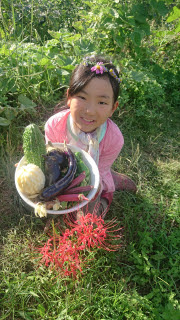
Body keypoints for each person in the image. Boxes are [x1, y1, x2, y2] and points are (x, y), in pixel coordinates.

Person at [44, 55, 136, 216]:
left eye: (101, 102)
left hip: (95, 176)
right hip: (64, 174)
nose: (89, 111)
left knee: (86, 219)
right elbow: (51, 162)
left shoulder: (114, 139)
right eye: (82, 97)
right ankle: (113, 176)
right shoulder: (54, 125)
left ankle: (111, 181)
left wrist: (95, 187)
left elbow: (94, 178)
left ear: (113, 108)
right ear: (69, 97)